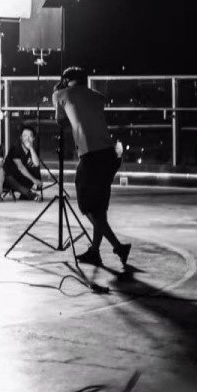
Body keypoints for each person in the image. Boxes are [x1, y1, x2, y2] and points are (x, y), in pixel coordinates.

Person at [53, 66, 131, 267]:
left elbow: (60, 122)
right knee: (99, 208)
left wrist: (57, 93)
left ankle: (117, 246)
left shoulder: (60, 94)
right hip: (110, 154)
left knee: (87, 207)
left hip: (91, 156)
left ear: (65, 80)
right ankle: (96, 252)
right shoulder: (97, 97)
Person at [4, 125, 44, 201]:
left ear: (33, 138)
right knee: (11, 178)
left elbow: (37, 164)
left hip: (22, 176)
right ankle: (31, 195)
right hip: (10, 176)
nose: (27, 138)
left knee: (35, 170)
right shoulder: (15, 148)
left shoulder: (32, 149)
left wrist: (31, 148)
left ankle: (27, 193)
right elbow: (20, 167)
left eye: (30, 136)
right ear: (21, 138)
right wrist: (33, 180)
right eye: (25, 136)